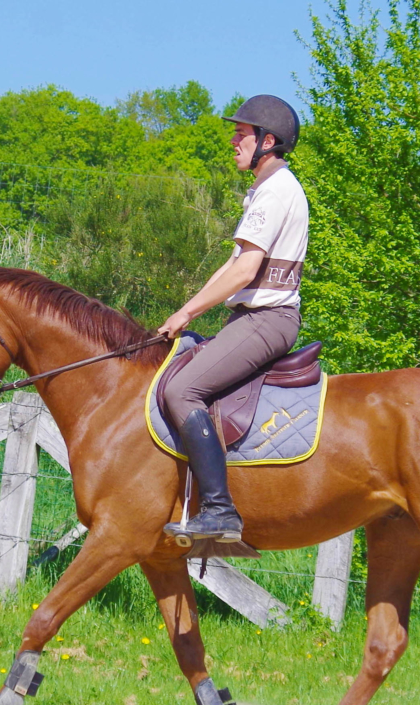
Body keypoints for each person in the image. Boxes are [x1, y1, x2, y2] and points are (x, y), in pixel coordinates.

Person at [158, 94, 309, 545]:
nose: (233, 141)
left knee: (182, 390)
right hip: (252, 317)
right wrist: (184, 313)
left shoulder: (276, 190)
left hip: (267, 318)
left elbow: (245, 271)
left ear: (268, 141)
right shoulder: (267, 189)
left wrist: (187, 311)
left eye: (241, 133)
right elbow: (233, 266)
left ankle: (220, 511)